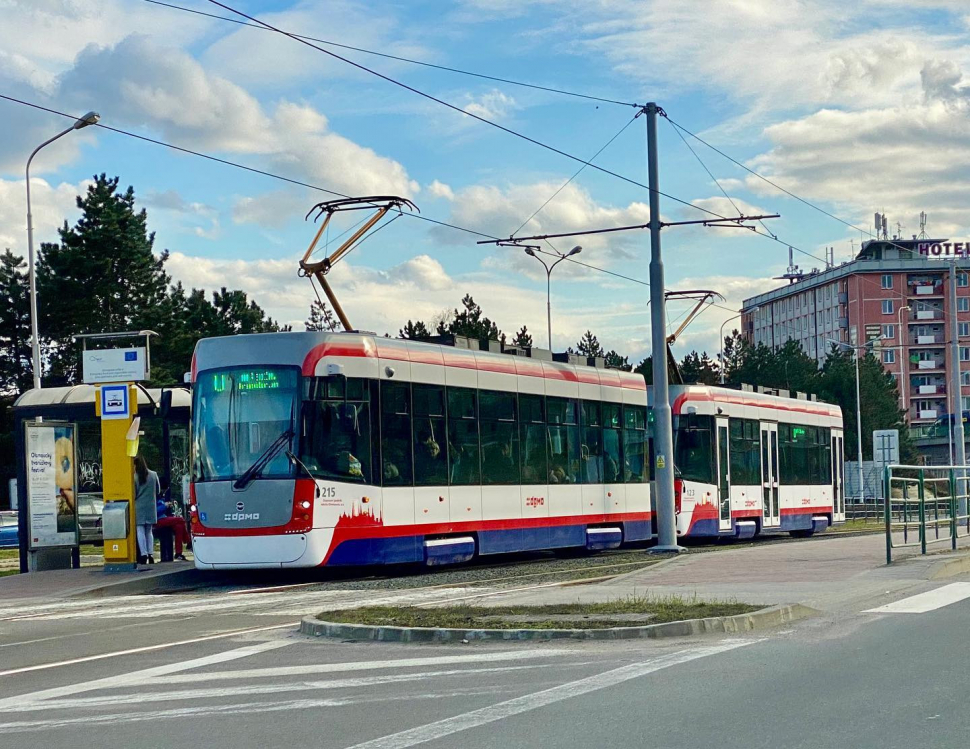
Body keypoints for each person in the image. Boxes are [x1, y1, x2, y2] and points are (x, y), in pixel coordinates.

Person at [134, 455, 160, 564]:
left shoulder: (134, 477)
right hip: (151, 506)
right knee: (149, 531)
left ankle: (143, 554)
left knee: (140, 530)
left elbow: (134, 494)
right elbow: (158, 490)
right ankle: (151, 554)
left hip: (139, 507)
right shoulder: (154, 475)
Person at [155, 491, 190, 561]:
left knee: (179, 527)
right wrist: (165, 506)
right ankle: (188, 542)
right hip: (159, 519)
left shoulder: (161, 498)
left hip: (164, 517)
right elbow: (155, 511)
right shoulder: (154, 499)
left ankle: (178, 553)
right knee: (181, 520)